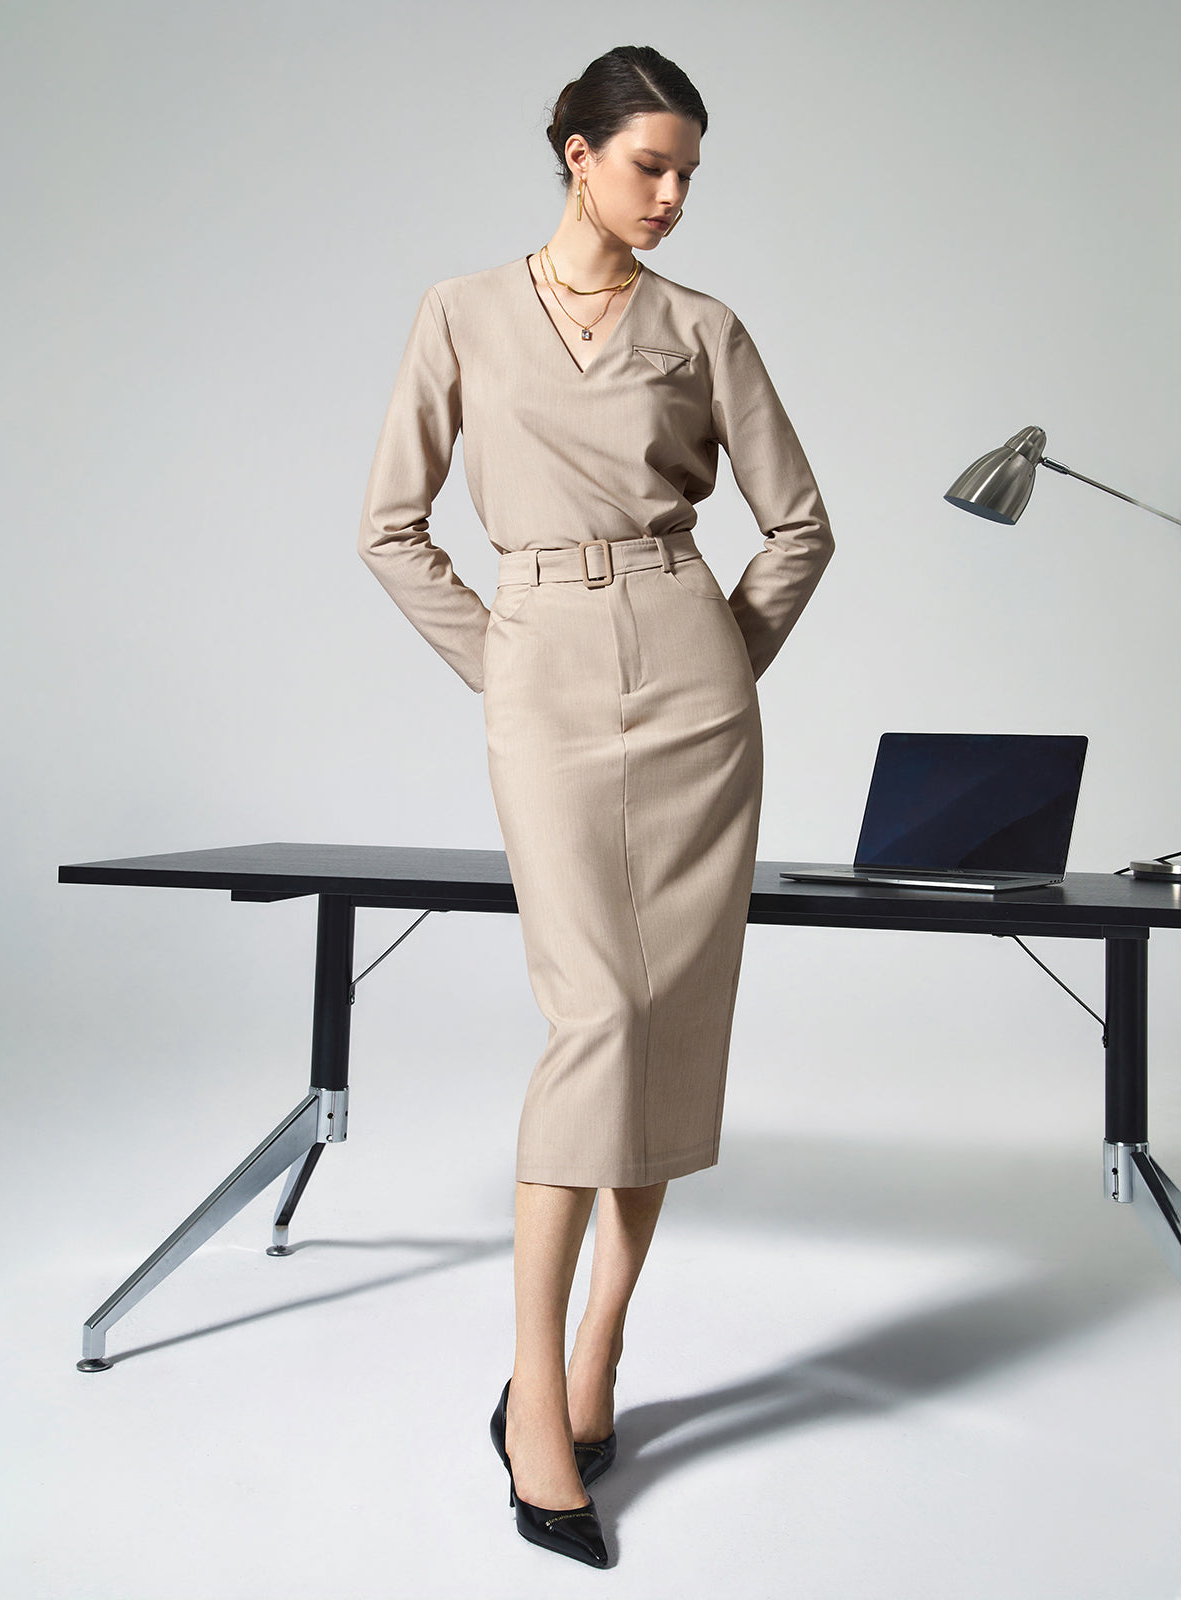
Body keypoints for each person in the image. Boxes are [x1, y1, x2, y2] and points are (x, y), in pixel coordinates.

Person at [358, 44, 835, 1569]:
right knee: (600, 1022)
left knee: (668, 1029)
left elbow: (800, 526)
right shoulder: (460, 313)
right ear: (575, 154)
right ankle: (532, 1403)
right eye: (649, 164)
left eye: (689, 170)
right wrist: (502, 662)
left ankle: (593, 1357)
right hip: (544, 675)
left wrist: (724, 662)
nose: (673, 194)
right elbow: (389, 526)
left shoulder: (704, 328)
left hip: (693, 681)